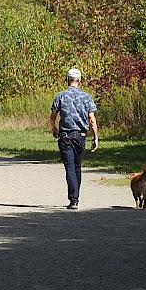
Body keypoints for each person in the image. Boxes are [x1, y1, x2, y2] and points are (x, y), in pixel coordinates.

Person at [49, 68, 98, 209]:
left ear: (67, 79)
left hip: (65, 136)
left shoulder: (60, 96)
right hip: (80, 136)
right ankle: (76, 197)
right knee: (77, 167)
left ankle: (73, 200)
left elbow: (53, 116)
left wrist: (54, 129)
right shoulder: (86, 97)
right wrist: (95, 137)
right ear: (80, 80)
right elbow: (91, 119)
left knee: (70, 167)